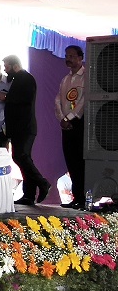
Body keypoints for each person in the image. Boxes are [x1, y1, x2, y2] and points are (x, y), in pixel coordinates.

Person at [3, 54, 50, 205]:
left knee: (22, 156)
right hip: (18, 128)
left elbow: (24, 100)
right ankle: (29, 195)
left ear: (14, 65)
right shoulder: (18, 79)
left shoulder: (26, 78)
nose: (5, 70)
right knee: (21, 157)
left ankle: (42, 183)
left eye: (6, 66)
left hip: (25, 127)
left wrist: (7, 98)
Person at [55, 45, 86, 209]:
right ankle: (77, 197)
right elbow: (58, 100)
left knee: (81, 160)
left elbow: (84, 101)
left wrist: (70, 118)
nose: (68, 59)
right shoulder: (65, 79)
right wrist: (62, 118)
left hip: (80, 123)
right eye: (67, 56)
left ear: (80, 58)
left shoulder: (86, 77)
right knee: (71, 161)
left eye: (72, 56)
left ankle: (84, 198)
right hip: (66, 124)